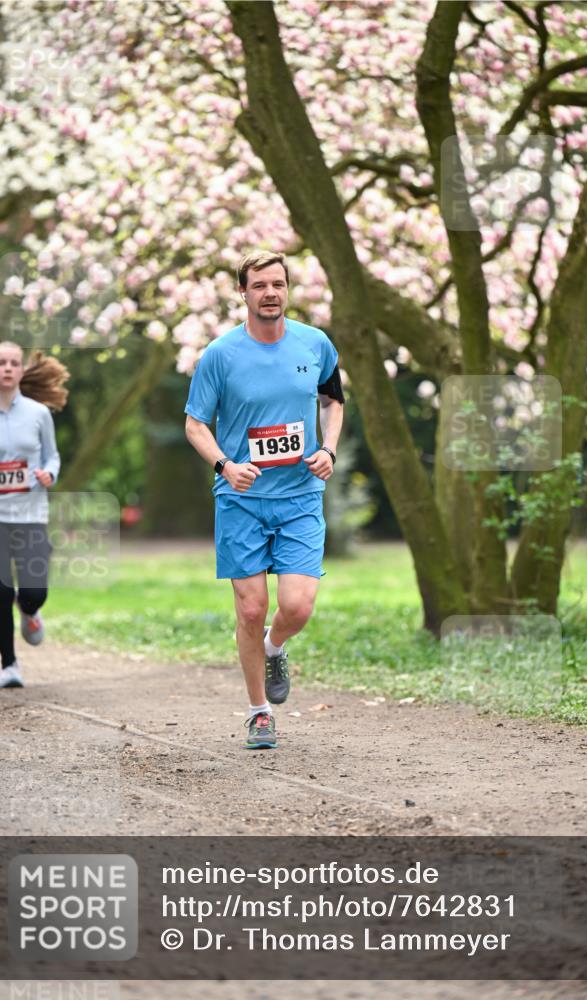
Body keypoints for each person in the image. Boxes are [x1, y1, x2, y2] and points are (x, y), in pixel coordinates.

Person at [185, 250, 344, 750]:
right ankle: (258, 712)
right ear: (243, 293)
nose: (269, 293)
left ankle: (276, 647)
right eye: (259, 285)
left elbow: (333, 400)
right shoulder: (220, 355)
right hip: (242, 500)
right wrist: (225, 466)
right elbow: (195, 423)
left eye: (278, 284)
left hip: (299, 495)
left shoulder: (315, 344)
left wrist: (329, 450)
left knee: (296, 606)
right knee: (251, 609)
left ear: (288, 289)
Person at [0, 342, 68, 689]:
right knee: (0, 590)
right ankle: (9, 664)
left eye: (13, 363)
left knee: (33, 591)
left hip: (30, 514)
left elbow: (52, 457)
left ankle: (29, 609)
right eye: (1, 363)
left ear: (21, 371)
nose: (7, 368)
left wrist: (48, 475)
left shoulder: (38, 414)